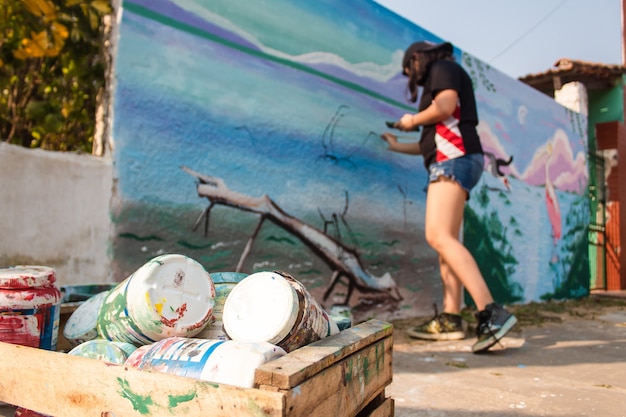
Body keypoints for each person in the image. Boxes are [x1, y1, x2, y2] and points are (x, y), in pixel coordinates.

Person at [380, 40, 517, 353]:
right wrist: (396, 143)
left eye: (409, 68)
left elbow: (443, 106)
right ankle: (451, 317)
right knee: (447, 243)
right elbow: (426, 145)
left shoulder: (443, 68)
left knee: (438, 236)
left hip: (454, 160)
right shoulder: (442, 79)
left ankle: (491, 313)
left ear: (418, 58)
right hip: (453, 158)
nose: (410, 77)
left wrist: (410, 120)